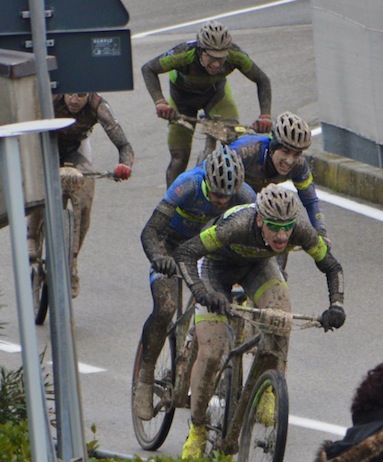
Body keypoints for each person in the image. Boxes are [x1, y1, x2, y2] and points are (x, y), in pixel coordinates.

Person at [173, 184, 345, 459]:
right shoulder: (236, 226)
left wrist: (336, 305)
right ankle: (197, 429)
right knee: (213, 351)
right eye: (274, 227)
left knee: (281, 316)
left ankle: (268, 385)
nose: (282, 235)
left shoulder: (300, 229)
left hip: (258, 267)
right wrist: (203, 293)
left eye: (286, 228)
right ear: (259, 220)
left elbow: (332, 267)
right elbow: (186, 253)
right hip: (215, 270)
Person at [132, 146, 256, 420]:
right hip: (170, 244)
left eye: (227, 196)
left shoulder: (246, 196)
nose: (221, 201)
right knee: (165, 307)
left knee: (218, 299)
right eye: (216, 194)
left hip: (206, 249)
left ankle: (194, 350)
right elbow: (150, 231)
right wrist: (159, 258)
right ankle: (145, 377)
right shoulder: (186, 184)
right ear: (206, 181)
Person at [141, 20, 273, 187]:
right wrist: (160, 102)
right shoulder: (184, 54)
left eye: (221, 58)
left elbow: (262, 79)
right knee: (179, 158)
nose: (216, 64)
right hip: (182, 101)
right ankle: (171, 200)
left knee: (232, 144)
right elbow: (148, 69)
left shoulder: (235, 55)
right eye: (211, 57)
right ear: (200, 51)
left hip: (216, 96)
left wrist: (265, 115)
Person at [27, 91, 134, 297]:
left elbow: (124, 145)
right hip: (44, 144)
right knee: (41, 186)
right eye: (70, 95)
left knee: (85, 198)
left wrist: (124, 165)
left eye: (81, 95)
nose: (74, 101)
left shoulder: (98, 105)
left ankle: (72, 261)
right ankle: (31, 236)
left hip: (76, 148)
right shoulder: (51, 98)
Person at [229, 111, 326, 236]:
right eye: (285, 152)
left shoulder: (299, 166)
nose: (290, 161)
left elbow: (311, 201)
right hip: (230, 194)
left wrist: (321, 232)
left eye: (297, 154)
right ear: (272, 146)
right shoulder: (244, 152)